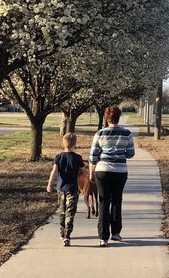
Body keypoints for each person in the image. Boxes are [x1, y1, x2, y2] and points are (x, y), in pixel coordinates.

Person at [89, 106, 135, 247]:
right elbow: (130, 154)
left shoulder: (100, 134)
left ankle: (103, 237)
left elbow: (93, 156)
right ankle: (116, 232)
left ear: (106, 118)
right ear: (119, 117)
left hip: (102, 171)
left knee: (104, 202)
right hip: (120, 172)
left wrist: (91, 173)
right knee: (117, 200)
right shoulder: (127, 134)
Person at [46, 132, 85, 246]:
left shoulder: (59, 157)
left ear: (63, 143)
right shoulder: (77, 158)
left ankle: (62, 231)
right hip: (73, 188)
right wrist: (91, 175)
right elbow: (84, 171)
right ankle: (67, 234)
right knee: (70, 211)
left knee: (62, 210)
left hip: (60, 188)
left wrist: (49, 184)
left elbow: (54, 172)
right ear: (75, 143)